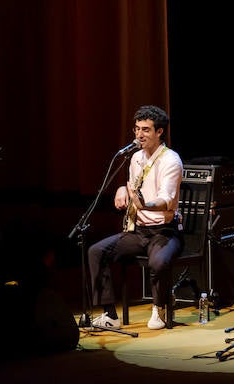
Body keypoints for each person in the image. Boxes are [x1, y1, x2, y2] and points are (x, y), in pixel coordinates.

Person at [87, 105, 184, 331]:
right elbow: (135, 189)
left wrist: (145, 205)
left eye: (146, 130)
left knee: (158, 262)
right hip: (139, 231)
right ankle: (109, 315)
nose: (139, 135)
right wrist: (122, 189)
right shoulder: (135, 158)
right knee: (96, 251)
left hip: (165, 232)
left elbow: (165, 199)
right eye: (137, 129)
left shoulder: (170, 160)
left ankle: (159, 307)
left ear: (159, 132)